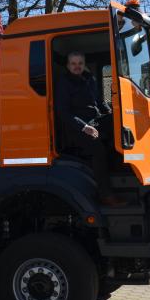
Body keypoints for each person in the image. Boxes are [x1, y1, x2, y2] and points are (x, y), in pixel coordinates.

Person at [54, 51, 124, 206]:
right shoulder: (64, 83)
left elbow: (100, 103)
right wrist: (84, 127)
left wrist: (112, 114)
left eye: (80, 63)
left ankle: (123, 168)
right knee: (98, 149)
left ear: (84, 65)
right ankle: (106, 195)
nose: (77, 67)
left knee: (121, 122)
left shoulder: (89, 80)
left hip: (95, 120)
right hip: (76, 127)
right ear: (68, 66)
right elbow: (62, 112)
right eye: (73, 64)